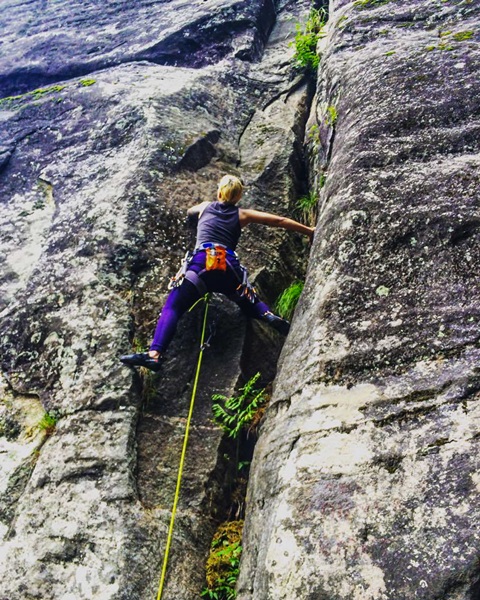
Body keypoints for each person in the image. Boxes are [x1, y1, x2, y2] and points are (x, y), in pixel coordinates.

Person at [120, 175, 314, 372]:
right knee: (246, 299)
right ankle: (266, 313)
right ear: (238, 197)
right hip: (228, 266)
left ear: (219, 192)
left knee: (174, 306)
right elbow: (278, 221)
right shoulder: (243, 215)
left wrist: (194, 217)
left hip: (201, 264)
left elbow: (190, 211)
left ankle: (155, 354)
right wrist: (309, 231)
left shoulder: (205, 207)